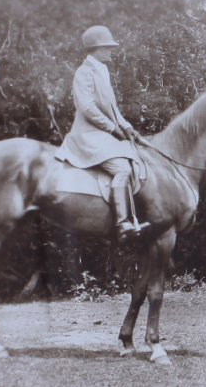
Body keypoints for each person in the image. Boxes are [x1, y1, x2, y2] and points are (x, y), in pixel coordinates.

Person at [55, 25, 143, 243]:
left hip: (102, 134)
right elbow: (87, 108)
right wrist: (113, 129)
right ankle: (123, 224)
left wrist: (127, 127)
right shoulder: (84, 72)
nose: (111, 51)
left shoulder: (102, 71)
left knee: (134, 159)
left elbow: (113, 111)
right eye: (107, 48)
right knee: (122, 168)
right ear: (96, 48)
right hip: (87, 136)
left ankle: (134, 219)